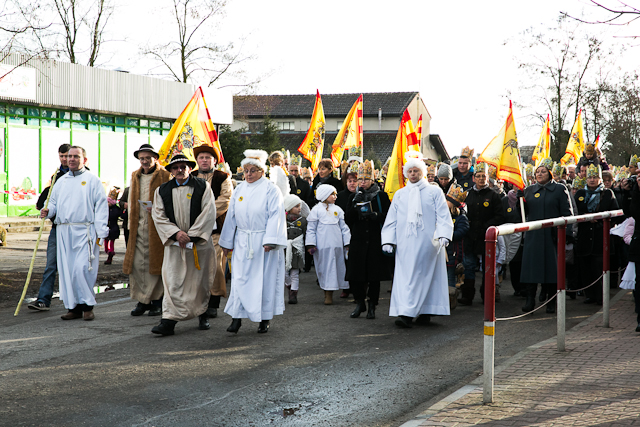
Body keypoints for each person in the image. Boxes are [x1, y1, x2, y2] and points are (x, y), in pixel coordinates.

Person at [381, 151, 453, 328]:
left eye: (416, 171)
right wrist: (388, 240)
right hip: (405, 243)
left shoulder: (434, 191)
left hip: (428, 242)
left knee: (425, 275)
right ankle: (409, 310)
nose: (413, 174)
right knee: (406, 276)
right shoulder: (400, 194)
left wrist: (444, 234)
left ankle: (414, 313)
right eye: (410, 171)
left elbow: (443, 215)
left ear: (423, 172)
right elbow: (392, 219)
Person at [220, 149, 287, 334]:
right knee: (239, 280)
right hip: (243, 241)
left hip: (263, 243)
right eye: (246, 171)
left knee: (263, 281)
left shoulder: (271, 189)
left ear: (262, 171)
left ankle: (264, 318)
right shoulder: (240, 189)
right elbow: (231, 216)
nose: (248, 174)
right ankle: (236, 318)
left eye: (252, 171)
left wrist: (270, 240)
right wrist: (227, 242)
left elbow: (275, 216)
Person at [151, 154, 217, 336]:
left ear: (190, 168)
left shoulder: (203, 186)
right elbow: (158, 215)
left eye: (183, 166)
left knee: (199, 283)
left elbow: (209, 211)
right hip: (175, 245)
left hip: (198, 244)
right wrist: (176, 234)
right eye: (175, 167)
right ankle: (168, 320)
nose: (180, 170)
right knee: (173, 281)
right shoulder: (162, 190)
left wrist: (192, 235)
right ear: (171, 171)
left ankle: (202, 313)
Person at [40, 146, 108, 321]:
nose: (71, 159)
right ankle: (74, 308)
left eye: (76, 156)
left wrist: (101, 232)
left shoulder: (93, 180)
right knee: (68, 270)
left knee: (82, 268)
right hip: (64, 231)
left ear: (84, 159)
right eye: (69, 156)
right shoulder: (60, 181)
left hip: (86, 231)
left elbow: (101, 207)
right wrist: (48, 210)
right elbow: (53, 202)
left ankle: (87, 306)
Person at [122, 144, 171, 317]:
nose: (144, 161)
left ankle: (157, 301)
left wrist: (158, 210)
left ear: (155, 158)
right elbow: (131, 201)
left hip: (157, 227)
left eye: (148, 158)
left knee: (155, 263)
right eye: (141, 158)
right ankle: (142, 300)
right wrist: (130, 225)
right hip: (138, 225)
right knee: (137, 264)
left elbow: (170, 199)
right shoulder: (135, 175)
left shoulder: (165, 175)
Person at [520, 158, 574, 313]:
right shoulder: (529, 190)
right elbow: (524, 213)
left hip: (553, 236)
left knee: (552, 270)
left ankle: (551, 301)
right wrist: (519, 201)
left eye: (543, 171)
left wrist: (566, 234)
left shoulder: (559, 189)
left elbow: (567, 213)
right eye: (537, 171)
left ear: (550, 173)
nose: (539, 174)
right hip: (533, 237)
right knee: (531, 269)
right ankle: (530, 300)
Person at [345, 160, 392, 319]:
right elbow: (348, 219)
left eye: (365, 179)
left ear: (372, 180)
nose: (362, 182)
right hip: (358, 241)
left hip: (374, 240)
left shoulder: (381, 196)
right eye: (360, 179)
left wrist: (376, 216)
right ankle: (360, 302)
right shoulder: (354, 196)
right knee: (355, 275)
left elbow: (388, 217)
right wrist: (355, 205)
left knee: (374, 276)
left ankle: (372, 305)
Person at [191, 143, 233, 319]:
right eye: (201, 157)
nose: (204, 160)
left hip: (215, 230)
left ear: (214, 160)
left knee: (216, 266)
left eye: (208, 157)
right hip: (194, 230)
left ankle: (213, 303)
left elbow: (226, 199)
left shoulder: (223, 177)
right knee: (196, 267)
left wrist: (205, 213)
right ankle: (198, 301)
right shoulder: (190, 176)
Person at [28, 143, 70, 311]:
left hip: (77, 229)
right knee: (51, 264)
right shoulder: (56, 177)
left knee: (75, 265)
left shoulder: (85, 177)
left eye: (68, 156)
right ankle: (43, 299)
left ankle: (77, 300)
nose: (65, 159)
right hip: (57, 227)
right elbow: (50, 198)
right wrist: (46, 209)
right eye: (62, 156)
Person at [458, 162, 505, 305]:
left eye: (483, 176)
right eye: (478, 176)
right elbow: (461, 212)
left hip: (486, 238)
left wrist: (486, 226)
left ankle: (487, 295)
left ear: (487, 177)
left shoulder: (494, 195)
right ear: (473, 178)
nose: (480, 179)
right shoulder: (467, 195)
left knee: (487, 267)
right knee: (469, 266)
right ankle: (467, 296)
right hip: (470, 237)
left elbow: (500, 216)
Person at [574, 164, 619, 305]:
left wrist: (600, 219)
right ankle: (590, 295)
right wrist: (586, 217)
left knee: (599, 267)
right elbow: (574, 212)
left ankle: (601, 296)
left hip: (601, 237)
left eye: (595, 177)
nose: (592, 180)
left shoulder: (608, 194)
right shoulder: (580, 194)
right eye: (590, 177)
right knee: (585, 268)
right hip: (584, 237)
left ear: (600, 179)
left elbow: (616, 214)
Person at [306, 184, 351, 305]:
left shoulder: (338, 210)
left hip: (337, 247)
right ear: (324, 195)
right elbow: (311, 229)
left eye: (335, 194)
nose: (335, 197)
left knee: (337, 268)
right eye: (332, 194)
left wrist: (347, 243)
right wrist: (311, 244)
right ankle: (327, 293)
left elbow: (344, 228)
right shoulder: (316, 210)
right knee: (325, 269)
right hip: (322, 247)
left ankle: (337, 289)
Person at [444, 183, 469, 288]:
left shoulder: (461, 218)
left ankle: (451, 294)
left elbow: (461, 232)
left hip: (453, 252)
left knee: (450, 277)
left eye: (447, 201)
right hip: (444, 251)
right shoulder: (444, 216)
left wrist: (446, 235)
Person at [284, 194, 307, 304]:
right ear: (289, 207)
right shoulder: (282, 219)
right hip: (285, 249)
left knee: (295, 272)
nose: (299, 208)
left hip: (297, 250)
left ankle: (293, 294)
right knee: (284, 273)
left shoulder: (303, 221)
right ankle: (289, 285)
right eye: (296, 206)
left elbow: (307, 234)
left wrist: (309, 246)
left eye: (300, 206)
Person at [104, 187, 123, 265]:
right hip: (106, 228)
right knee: (105, 244)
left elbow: (121, 215)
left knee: (111, 243)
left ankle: (110, 255)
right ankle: (108, 252)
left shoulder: (116, 209)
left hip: (113, 228)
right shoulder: (105, 209)